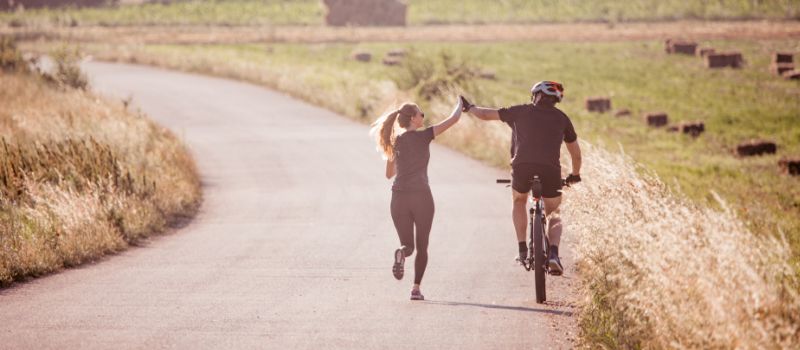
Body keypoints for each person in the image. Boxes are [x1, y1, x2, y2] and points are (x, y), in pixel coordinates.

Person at [462, 81, 582, 276]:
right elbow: (576, 154)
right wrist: (575, 175)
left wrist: (470, 107)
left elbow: (485, 115)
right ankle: (553, 253)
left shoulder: (521, 111)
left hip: (522, 168)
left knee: (519, 200)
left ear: (536, 96)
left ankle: (522, 249)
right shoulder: (562, 118)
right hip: (550, 170)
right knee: (555, 212)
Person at [370, 98, 463, 300]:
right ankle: (416, 289)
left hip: (398, 198)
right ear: (413, 118)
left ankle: (402, 253)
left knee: (409, 246)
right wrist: (460, 103)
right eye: (421, 114)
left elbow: (389, 174)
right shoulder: (424, 136)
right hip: (421, 196)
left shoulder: (395, 142)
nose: (423, 117)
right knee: (422, 246)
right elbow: (453, 119)